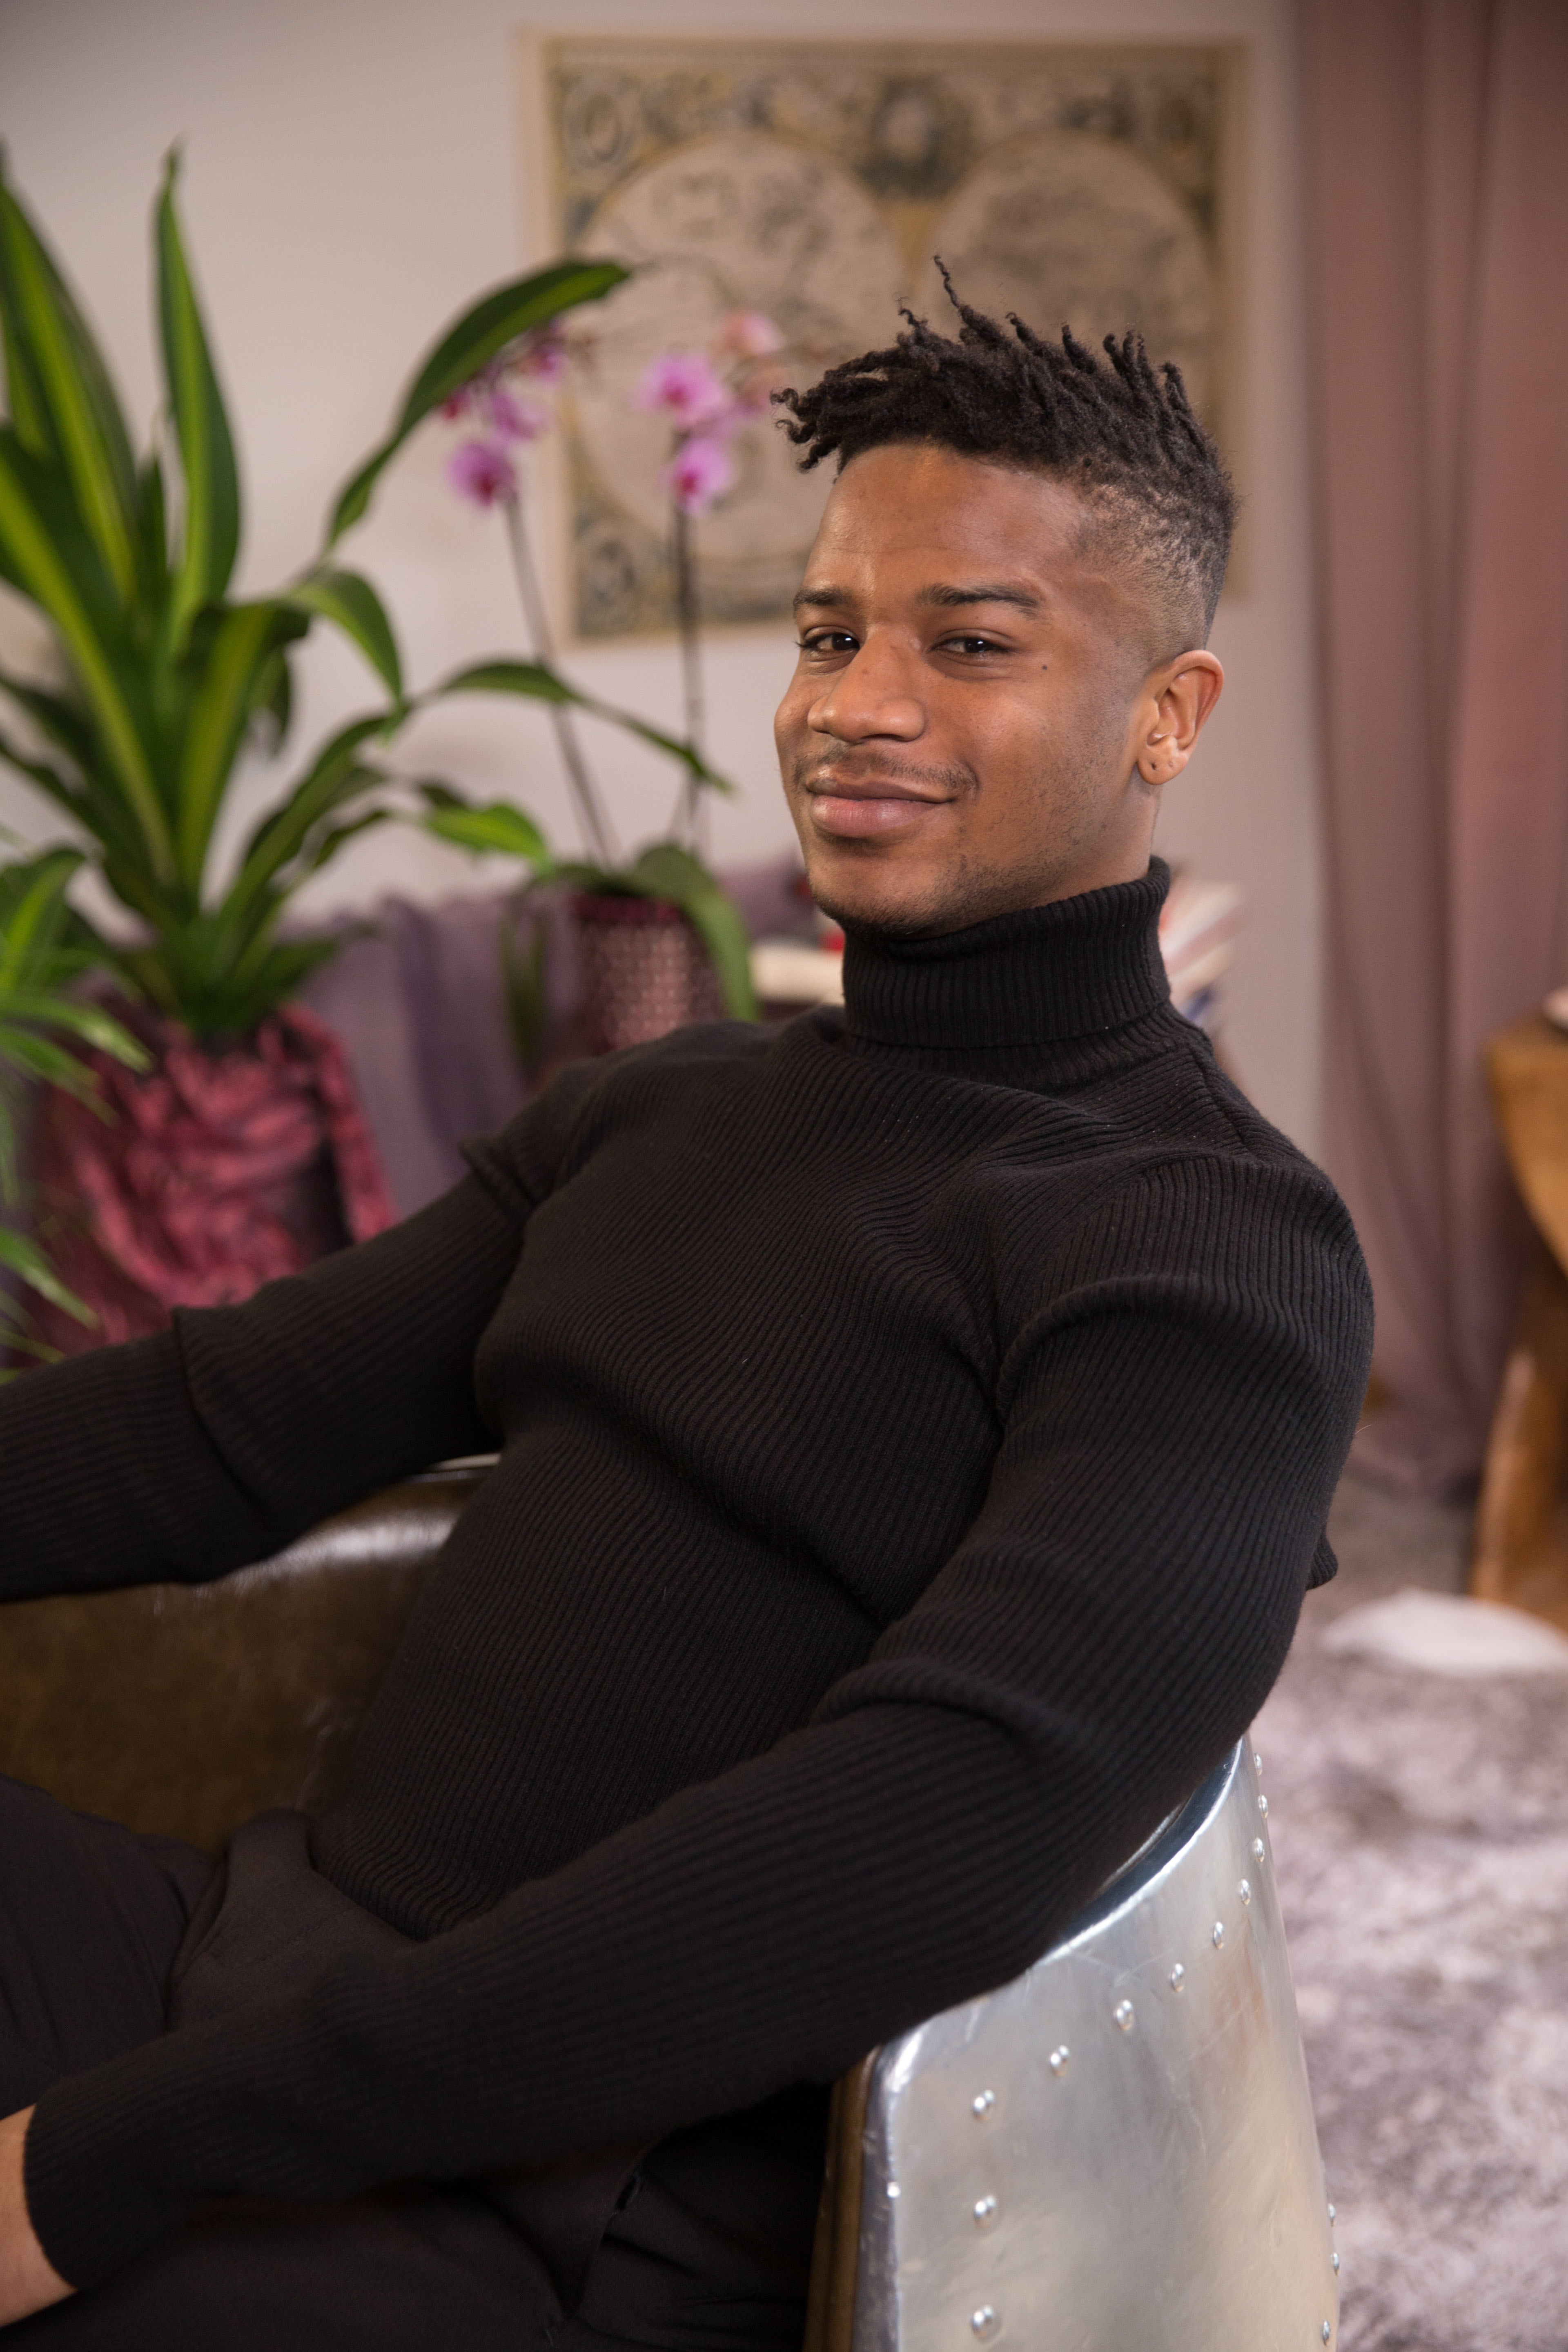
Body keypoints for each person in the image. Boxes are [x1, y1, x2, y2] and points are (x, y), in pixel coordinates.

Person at [0, 291, 1372, 2346]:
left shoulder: (1212, 1251)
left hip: (585, 2203)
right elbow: (217, 1427)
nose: (855, 706)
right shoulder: (660, 1109)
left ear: (1165, 719)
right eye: (829, 633)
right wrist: (176, 2115)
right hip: (256, 1972)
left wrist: (106, 2165)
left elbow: (951, 1815)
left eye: (969, 645)